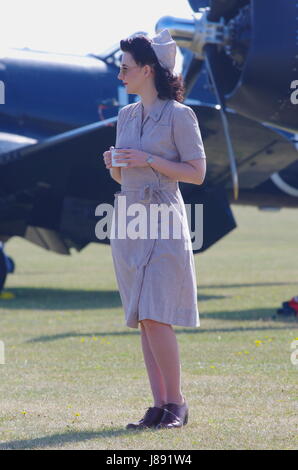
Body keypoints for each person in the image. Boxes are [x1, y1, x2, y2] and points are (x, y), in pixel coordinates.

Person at [103, 29, 206, 430]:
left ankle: (176, 404)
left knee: (158, 313)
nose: (120, 75)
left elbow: (196, 173)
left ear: (147, 70)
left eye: (126, 68)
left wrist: (148, 158)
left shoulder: (181, 116)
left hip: (163, 217)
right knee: (143, 316)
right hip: (129, 219)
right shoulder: (125, 115)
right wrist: (113, 162)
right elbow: (121, 178)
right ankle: (159, 405)